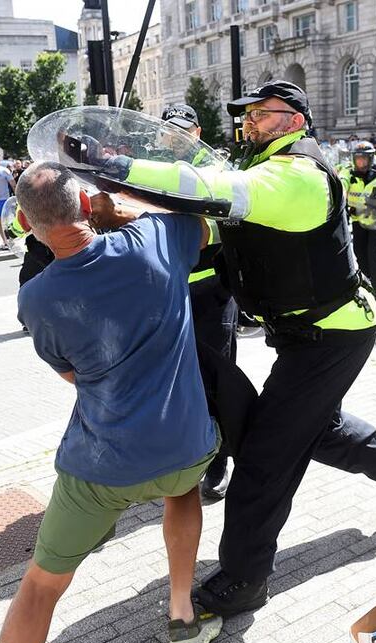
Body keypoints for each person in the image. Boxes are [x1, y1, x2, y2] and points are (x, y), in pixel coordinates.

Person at [108, 80, 376, 616]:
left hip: (332, 335)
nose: (250, 122)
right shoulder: (266, 170)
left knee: (264, 459)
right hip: (307, 332)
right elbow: (224, 229)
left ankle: (245, 578)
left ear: (296, 120)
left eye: (263, 114)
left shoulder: (296, 174)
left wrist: (117, 165)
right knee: (307, 427)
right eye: (249, 115)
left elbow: (207, 188)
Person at [0, 161, 223, 643]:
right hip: (184, 446)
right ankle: (182, 613)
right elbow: (204, 223)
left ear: (29, 226)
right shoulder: (156, 238)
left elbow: (73, 375)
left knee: (40, 585)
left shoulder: (34, 299)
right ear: (84, 204)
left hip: (101, 466)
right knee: (182, 489)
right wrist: (121, 210)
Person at [162, 102, 240, 499]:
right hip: (169, 293)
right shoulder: (152, 168)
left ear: (197, 131)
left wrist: (192, 230)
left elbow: (232, 222)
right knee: (175, 380)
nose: (175, 137)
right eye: (168, 129)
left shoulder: (216, 170)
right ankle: (186, 453)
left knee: (216, 380)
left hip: (211, 292)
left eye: (183, 130)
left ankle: (219, 460)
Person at [338, 141, 376, 303]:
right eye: (357, 159)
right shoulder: (349, 173)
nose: (360, 162)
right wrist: (341, 193)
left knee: (375, 254)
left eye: (364, 159)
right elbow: (341, 181)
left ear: (371, 158)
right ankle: (369, 280)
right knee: (360, 254)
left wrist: (375, 201)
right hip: (358, 220)